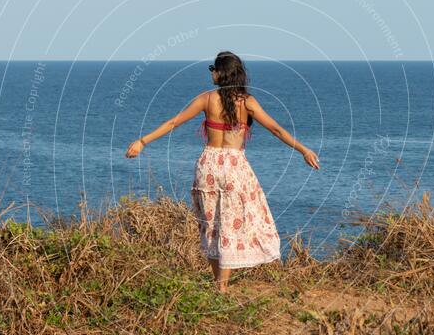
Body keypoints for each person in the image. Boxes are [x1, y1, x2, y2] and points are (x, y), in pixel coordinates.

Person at [125, 51, 320, 293]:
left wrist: (142, 141)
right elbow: (276, 129)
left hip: (208, 164)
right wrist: (303, 150)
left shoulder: (207, 99)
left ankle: (220, 285)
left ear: (221, 73)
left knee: (211, 225)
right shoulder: (247, 102)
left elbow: (173, 122)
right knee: (230, 223)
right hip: (234, 166)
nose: (211, 73)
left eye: (213, 69)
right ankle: (222, 287)